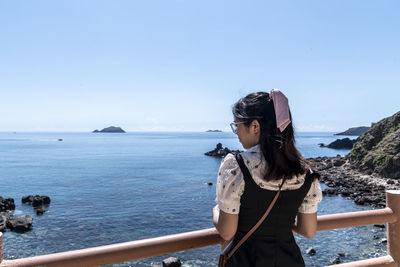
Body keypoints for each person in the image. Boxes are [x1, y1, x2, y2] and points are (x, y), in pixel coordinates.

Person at [213, 90, 322, 267]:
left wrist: (216, 211)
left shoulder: (237, 165)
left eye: (237, 125)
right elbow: (308, 230)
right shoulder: (304, 172)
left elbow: (227, 232)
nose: (236, 132)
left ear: (255, 126)